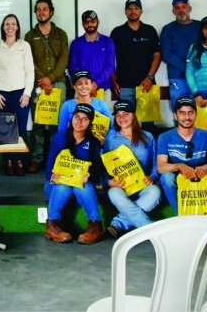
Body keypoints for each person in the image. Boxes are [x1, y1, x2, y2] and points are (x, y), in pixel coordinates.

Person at [43, 104, 104, 245]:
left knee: (82, 185)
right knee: (62, 186)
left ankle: (95, 226)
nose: (79, 122)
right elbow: (50, 162)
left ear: (90, 123)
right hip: (57, 184)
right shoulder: (60, 138)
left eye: (85, 119)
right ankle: (52, 225)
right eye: (77, 117)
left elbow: (96, 167)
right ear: (72, 118)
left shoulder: (94, 142)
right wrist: (52, 176)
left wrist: (89, 175)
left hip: (81, 186)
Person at [103, 100, 161, 238]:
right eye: (118, 115)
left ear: (134, 115)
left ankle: (119, 223)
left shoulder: (148, 137)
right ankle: (150, 229)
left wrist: (152, 177)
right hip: (121, 186)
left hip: (141, 184)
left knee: (155, 192)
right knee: (113, 194)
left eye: (125, 114)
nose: (121, 118)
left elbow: (155, 164)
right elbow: (102, 165)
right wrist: (109, 182)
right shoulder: (110, 138)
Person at [157, 97, 207, 215]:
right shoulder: (164, 137)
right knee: (166, 178)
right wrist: (179, 166)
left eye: (190, 113)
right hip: (178, 175)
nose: (187, 117)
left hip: (200, 173)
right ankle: (181, 216)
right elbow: (161, 167)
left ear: (195, 114)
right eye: (182, 113)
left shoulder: (205, 135)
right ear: (175, 116)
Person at [25, 0, 69, 174]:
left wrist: (50, 79)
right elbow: (28, 62)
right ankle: (37, 159)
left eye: (45, 9)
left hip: (58, 84)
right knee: (38, 123)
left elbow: (64, 60)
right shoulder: (29, 36)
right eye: (38, 9)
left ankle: (56, 159)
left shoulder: (61, 34)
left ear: (51, 11)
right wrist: (42, 79)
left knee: (56, 124)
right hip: (37, 84)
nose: (41, 12)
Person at [0, 14, 34, 175]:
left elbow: (30, 72)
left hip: (21, 93)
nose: (10, 26)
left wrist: (27, 93)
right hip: (2, 95)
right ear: (3, 27)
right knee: (4, 130)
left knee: (20, 129)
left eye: (13, 24)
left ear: (17, 27)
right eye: (7, 24)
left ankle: (20, 161)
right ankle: (8, 161)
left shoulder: (25, 46)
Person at [110, 0, 161, 109]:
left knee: (148, 124)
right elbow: (110, 59)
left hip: (147, 84)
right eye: (130, 9)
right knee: (126, 120)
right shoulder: (117, 32)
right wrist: (114, 82)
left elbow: (157, 55)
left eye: (136, 8)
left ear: (141, 11)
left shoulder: (149, 31)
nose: (133, 11)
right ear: (125, 12)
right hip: (124, 85)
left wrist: (150, 78)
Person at [68, 10, 116, 108]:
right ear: (82, 24)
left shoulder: (108, 42)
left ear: (98, 21)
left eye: (93, 21)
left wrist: (96, 83)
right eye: (86, 22)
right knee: (82, 121)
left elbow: (110, 66)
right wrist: (86, 85)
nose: (90, 24)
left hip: (103, 89)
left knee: (103, 121)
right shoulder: (76, 43)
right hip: (82, 90)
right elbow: (73, 67)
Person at [160, 0, 200, 110]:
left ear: (189, 8)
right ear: (173, 11)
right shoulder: (168, 29)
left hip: (199, 77)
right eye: (177, 8)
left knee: (198, 111)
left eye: (184, 6)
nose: (181, 10)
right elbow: (167, 54)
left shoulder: (200, 26)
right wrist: (188, 69)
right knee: (178, 111)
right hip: (178, 78)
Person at [56, 70, 112, 136]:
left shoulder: (101, 104)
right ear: (75, 87)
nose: (84, 86)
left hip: (97, 143)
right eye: (80, 84)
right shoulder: (67, 105)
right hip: (73, 143)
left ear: (91, 85)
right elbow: (61, 131)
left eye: (86, 83)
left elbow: (112, 126)